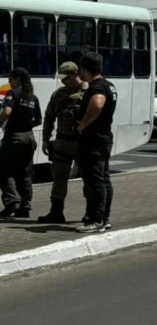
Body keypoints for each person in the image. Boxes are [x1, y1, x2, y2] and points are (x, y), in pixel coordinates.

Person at [37, 62, 86, 224]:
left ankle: (92, 212)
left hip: (82, 143)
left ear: (74, 75)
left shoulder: (89, 91)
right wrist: (45, 140)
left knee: (89, 179)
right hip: (62, 142)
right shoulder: (59, 94)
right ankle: (56, 212)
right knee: (59, 179)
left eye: (65, 78)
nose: (63, 82)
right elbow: (49, 117)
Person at [74, 53, 117, 233]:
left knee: (95, 181)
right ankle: (104, 218)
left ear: (85, 69)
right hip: (104, 138)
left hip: (94, 140)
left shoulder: (97, 87)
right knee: (104, 179)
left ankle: (96, 219)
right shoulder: (109, 85)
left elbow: (98, 104)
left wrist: (83, 124)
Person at [0, 67, 42, 218]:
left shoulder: (12, 94)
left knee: (5, 170)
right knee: (25, 172)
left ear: (18, 80)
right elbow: (38, 120)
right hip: (29, 136)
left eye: (10, 79)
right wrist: (26, 125)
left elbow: (7, 112)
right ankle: (25, 205)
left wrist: (0, 120)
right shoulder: (32, 97)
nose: (9, 82)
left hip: (14, 137)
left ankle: (11, 203)